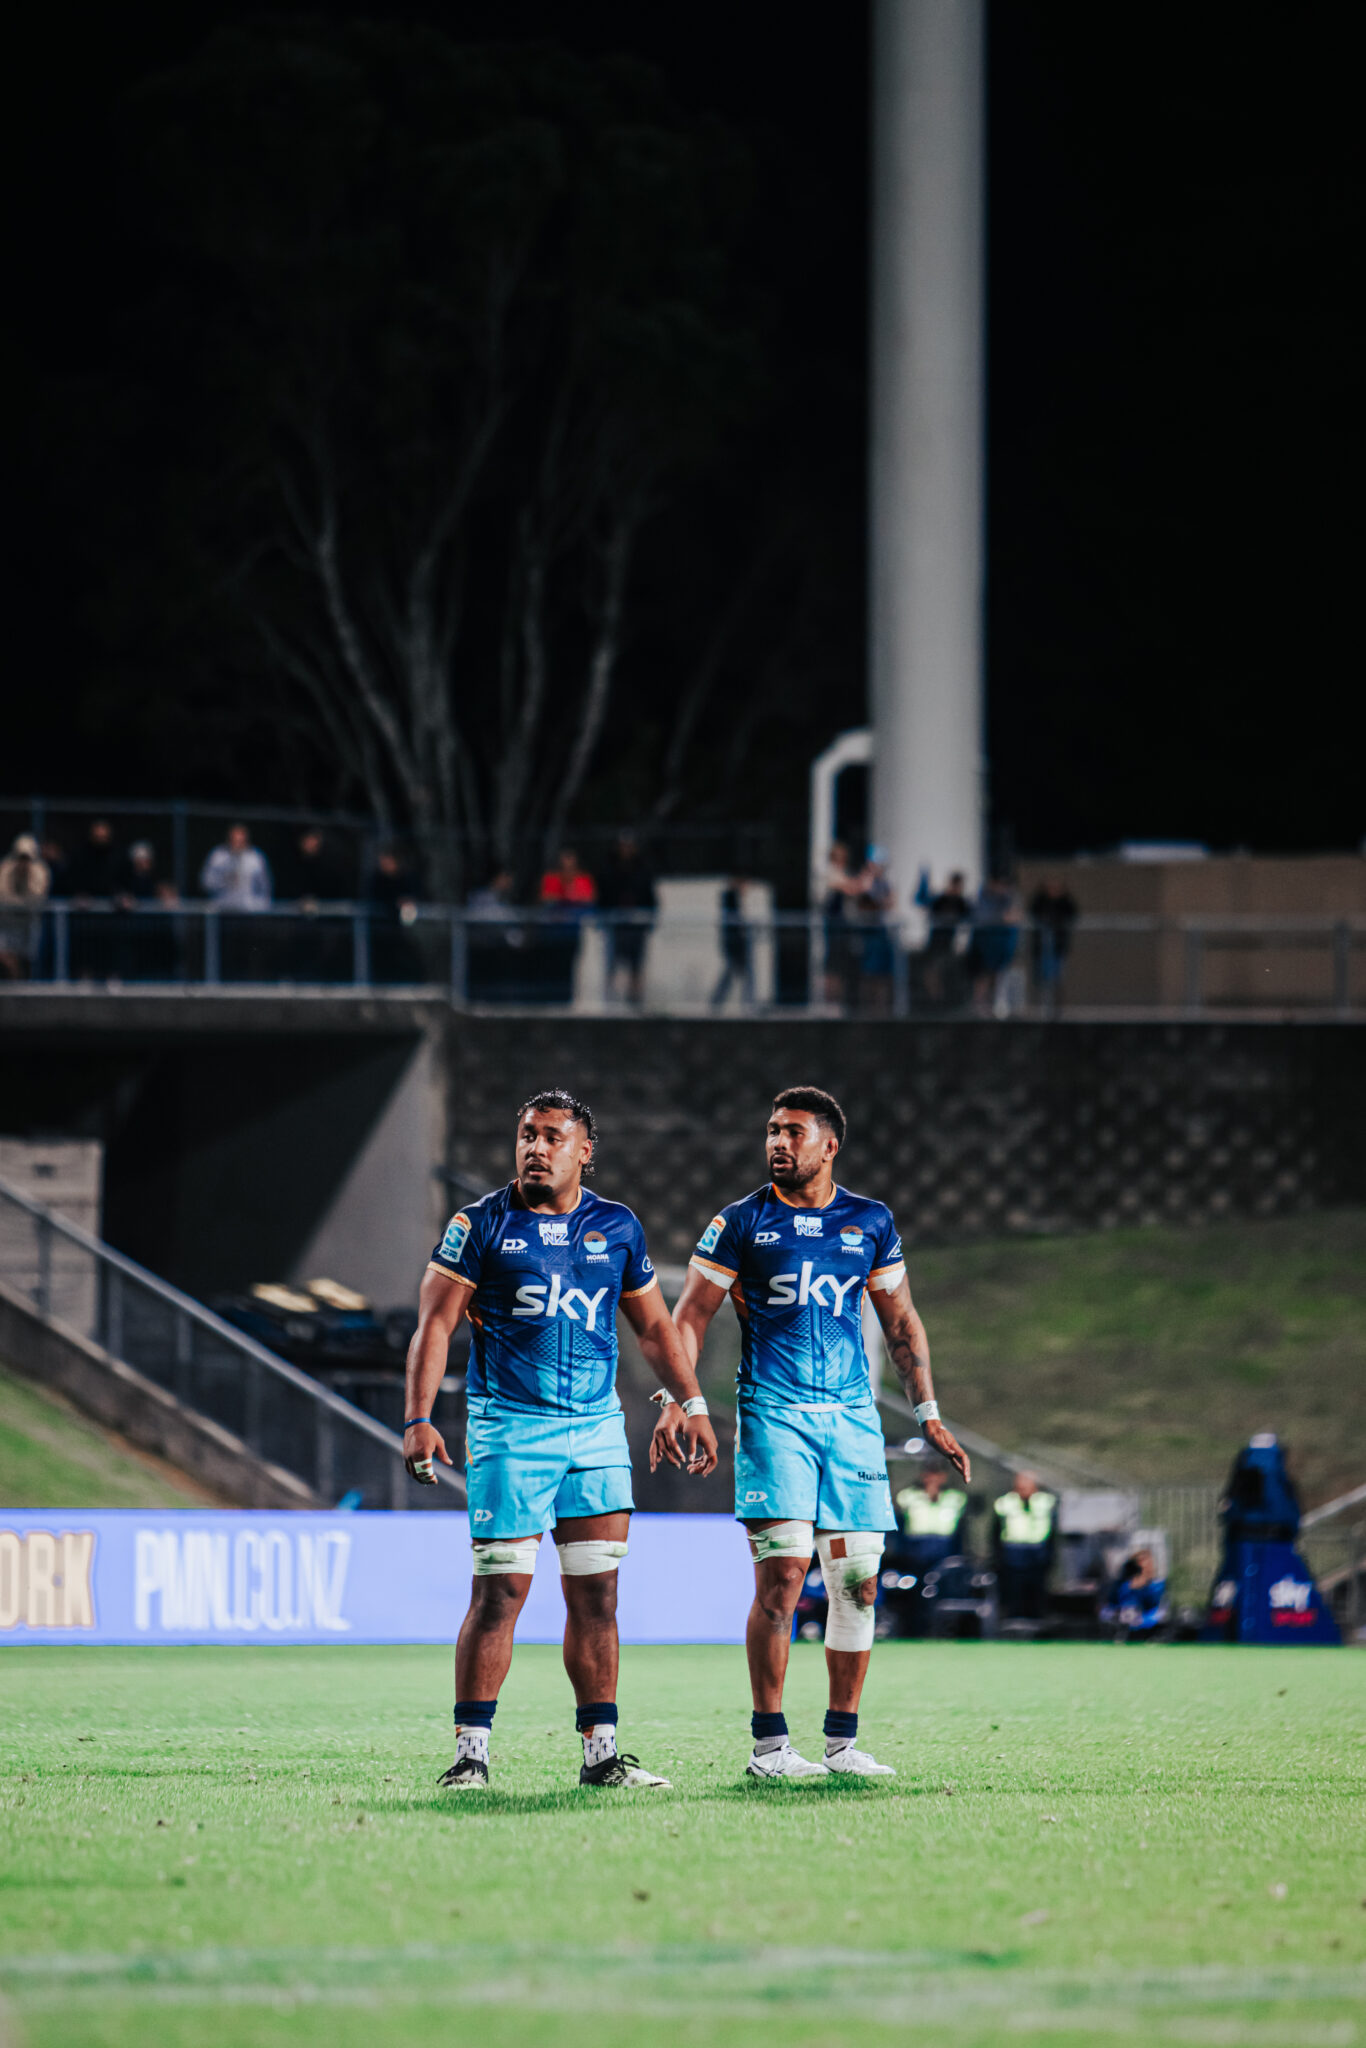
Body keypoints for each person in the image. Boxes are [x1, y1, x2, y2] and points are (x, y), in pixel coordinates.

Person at [403, 1089, 717, 1794]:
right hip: (510, 1428)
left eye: (552, 1137)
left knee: (598, 1596)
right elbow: (435, 1325)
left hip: (595, 1432)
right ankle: (471, 1756)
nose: (536, 1148)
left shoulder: (616, 1226)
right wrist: (418, 1418)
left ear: (585, 1152)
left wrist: (690, 1401)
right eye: (527, 1135)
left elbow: (653, 1328)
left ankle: (601, 1756)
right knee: (500, 1593)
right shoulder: (479, 1224)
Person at [662, 1086, 970, 1779]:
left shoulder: (870, 1221)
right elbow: (691, 1315)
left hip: (852, 1422)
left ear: (829, 1145)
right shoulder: (741, 1221)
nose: (778, 1142)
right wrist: (680, 1398)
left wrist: (928, 1413)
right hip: (774, 1417)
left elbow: (901, 1322)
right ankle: (769, 1748)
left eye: (793, 1132)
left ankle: (841, 1744)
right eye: (772, 1130)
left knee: (859, 1583)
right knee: (783, 1577)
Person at [597, 831, 656, 1004]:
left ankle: (635, 999)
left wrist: (648, 920)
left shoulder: (643, 869)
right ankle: (609, 1000)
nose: (626, 850)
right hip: (615, 925)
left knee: (636, 965)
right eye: (623, 846)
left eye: (629, 846)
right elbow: (603, 897)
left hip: (637, 925)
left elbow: (650, 897)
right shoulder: (609, 869)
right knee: (612, 964)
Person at [991, 1471, 1057, 1622]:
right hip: (1013, 1556)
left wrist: (1050, 1556)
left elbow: (1053, 1533)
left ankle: (1038, 1626)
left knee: (1037, 1598)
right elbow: (995, 1533)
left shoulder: (1046, 1502)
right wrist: (998, 1558)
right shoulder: (1005, 1503)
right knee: (1014, 1597)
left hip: (1038, 1556)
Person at [967, 876, 1022, 1018]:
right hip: (984, 946)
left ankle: (999, 1006)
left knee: (1000, 975)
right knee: (983, 976)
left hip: (1002, 947)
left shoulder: (1008, 899)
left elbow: (1015, 917)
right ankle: (979, 1005)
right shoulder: (983, 899)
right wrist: (1001, 918)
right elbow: (982, 917)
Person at [0, 835, 51, 979]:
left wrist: (18, 903)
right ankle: (15, 982)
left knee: (27, 960)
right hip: (7, 922)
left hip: (29, 922)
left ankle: (23, 983)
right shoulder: (5, 868)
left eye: (26, 858)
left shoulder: (41, 871)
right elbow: (2, 897)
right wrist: (20, 903)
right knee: (6, 955)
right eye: (20, 857)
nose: (23, 862)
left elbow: (36, 899)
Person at [919, 870, 971, 1005]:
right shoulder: (940, 899)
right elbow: (921, 902)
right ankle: (933, 998)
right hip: (936, 941)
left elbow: (970, 917)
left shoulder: (961, 902)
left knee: (942, 970)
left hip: (949, 942)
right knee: (931, 970)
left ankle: (940, 998)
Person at [1029, 879, 1078, 1012]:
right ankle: (1041, 1007)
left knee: (1057, 978)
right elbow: (1033, 912)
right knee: (1042, 977)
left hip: (1057, 947)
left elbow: (1073, 913)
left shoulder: (1065, 903)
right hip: (1041, 948)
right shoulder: (1040, 901)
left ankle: (1057, 1007)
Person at [1100, 1547, 1168, 1641]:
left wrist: (1141, 1620)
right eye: (1139, 1562)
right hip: (1121, 1632)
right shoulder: (1121, 1587)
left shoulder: (1157, 1587)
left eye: (1148, 1562)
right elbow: (1108, 1609)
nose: (1144, 1566)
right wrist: (1117, 1616)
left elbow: (1160, 1612)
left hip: (1149, 1633)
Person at [200, 823, 272, 909]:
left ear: (246, 841)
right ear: (228, 840)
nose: (237, 845)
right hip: (222, 907)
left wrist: (260, 906)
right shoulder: (218, 856)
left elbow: (265, 886)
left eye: (240, 842)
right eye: (234, 841)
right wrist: (223, 880)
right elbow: (206, 882)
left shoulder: (256, 858)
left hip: (248, 909)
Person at [710, 877, 753, 1008]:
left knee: (734, 973)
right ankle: (719, 1000)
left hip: (734, 942)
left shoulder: (730, 899)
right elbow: (734, 923)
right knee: (736, 973)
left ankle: (718, 1000)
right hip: (734, 943)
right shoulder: (731, 899)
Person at [64, 819, 121, 901]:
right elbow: (72, 878)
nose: (100, 841)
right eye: (97, 837)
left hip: (112, 901)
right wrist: (79, 893)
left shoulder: (117, 856)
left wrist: (119, 894)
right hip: (84, 902)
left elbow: (121, 879)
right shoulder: (80, 855)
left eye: (103, 837)